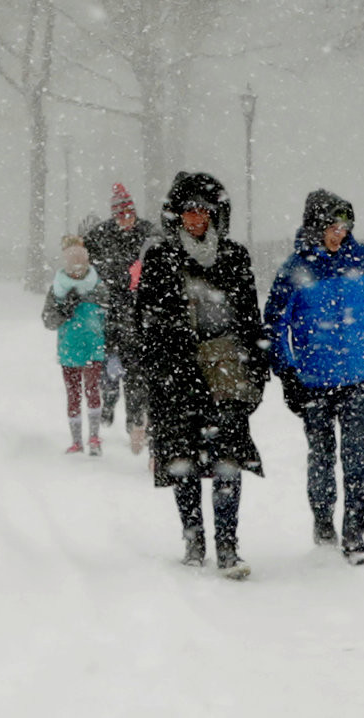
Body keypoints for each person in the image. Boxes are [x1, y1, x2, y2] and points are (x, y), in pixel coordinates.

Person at [127, 168, 267, 578]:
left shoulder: (234, 256)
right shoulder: (159, 257)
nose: (196, 218)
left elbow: (249, 318)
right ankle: (193, 539)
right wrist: (160, 367)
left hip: (226, 376)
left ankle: (227, 545)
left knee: (227, 459)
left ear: (215, 213)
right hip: (177, 376)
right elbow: (144, 321)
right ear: (176, 214)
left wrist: (255, 368)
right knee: (183, 460)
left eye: (203, 210)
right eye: (188, 210)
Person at [264, 188, 364, 565]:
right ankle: (324, 521)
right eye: (332, 226)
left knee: (356, 455)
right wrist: (287, 373)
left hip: (355, 377)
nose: (339, 233)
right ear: (315, 226)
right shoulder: (295, 269)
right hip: (313, 380)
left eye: (344, 225)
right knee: (322, 456)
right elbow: (276, 325)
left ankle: (355, 534)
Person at [75, 184, 155, 454]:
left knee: (135, 372)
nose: (126, 220)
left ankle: (135, 421)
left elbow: (161, 245)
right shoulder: (101, 234)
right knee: (108, 368)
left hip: (136, 314)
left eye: (130, 214)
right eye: (121, 216)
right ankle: (108, 406)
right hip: (108, 312)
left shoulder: (146, 232)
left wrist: (144, 271)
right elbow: (83, 257)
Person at [41, 236, 110, 455]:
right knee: (73, 394)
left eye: (81, 265)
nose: (77, 270)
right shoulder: (58, 289)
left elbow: (109, 316)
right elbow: (47, 320)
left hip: (93, 347)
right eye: (72, 265)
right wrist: (62, 312)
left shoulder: (98, 287)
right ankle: (77, 440)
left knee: (92, 390)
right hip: (69, 348)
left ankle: (94, 438)